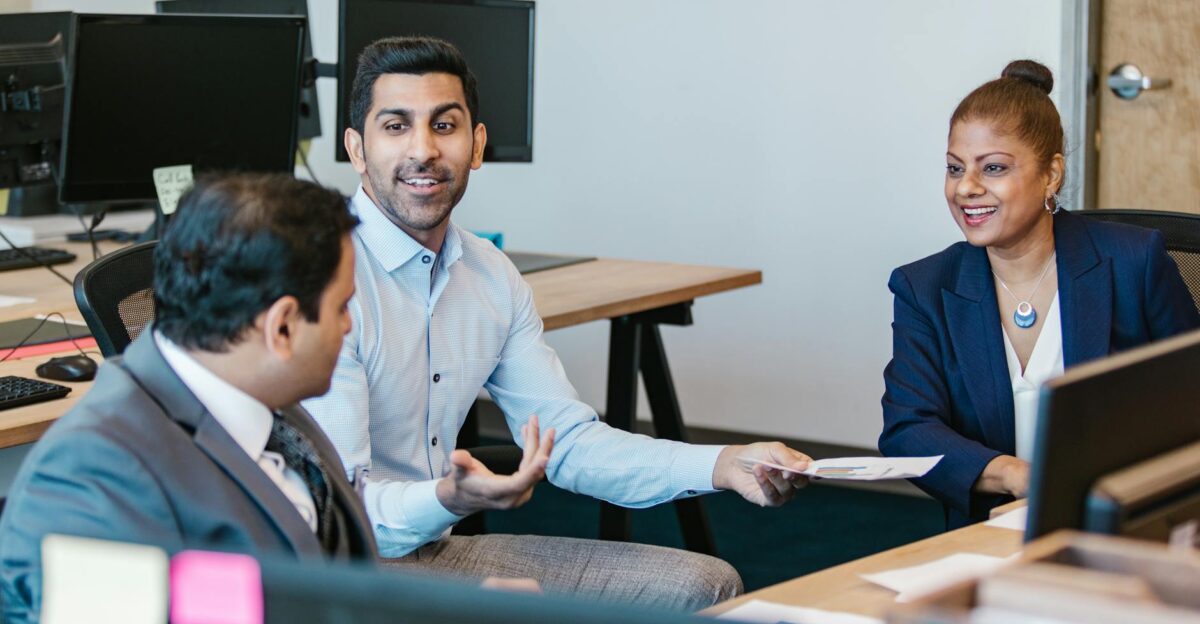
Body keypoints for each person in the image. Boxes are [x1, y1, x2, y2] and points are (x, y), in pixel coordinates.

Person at [302, 36, 812, 610]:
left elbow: (567, 443)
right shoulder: (321, 271)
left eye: (444, 126)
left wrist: (721, 464)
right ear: (356, 148)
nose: (422, 149)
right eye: (396, 127)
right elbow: (341, 507)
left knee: (703, 585)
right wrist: (447, 497)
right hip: (331, 566)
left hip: (435, 551)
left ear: (476, 145)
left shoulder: (490, 275)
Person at [0, 174, 378, 621]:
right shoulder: (89, 476)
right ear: (281, 328)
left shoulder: (267, 399)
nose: (349, 326)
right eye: (341, 307)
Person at [878, 60, 1200, 529]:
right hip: (986, 533)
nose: (966, 187)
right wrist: (1014, 475)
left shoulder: (1133, 262)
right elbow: (908, 429)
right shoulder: (924, 286)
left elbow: (1190, 400)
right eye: (954, 168)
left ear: (1051, 175)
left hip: (1125, 525)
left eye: (993, 168)